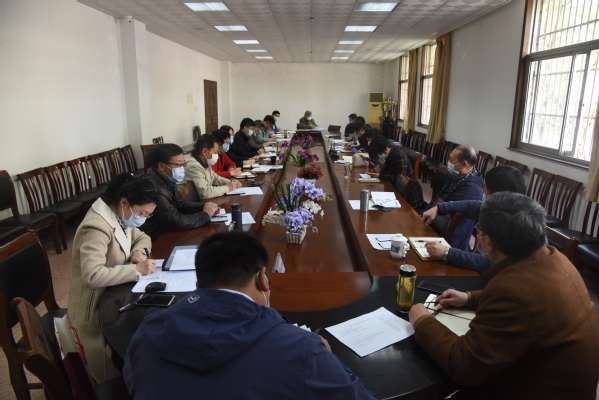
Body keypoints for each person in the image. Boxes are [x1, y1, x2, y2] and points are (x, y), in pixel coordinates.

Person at [124, 231, 378, 399]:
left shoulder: (146, 333)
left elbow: (134, 385)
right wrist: (326, 358)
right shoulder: (301, 349)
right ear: (262, 279)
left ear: (198, 285)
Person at [409, 192, 599, 399]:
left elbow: (464, 365)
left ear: (488, 242)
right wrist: (470, 298)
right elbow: (529, 302)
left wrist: (423, 322)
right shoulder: (555, 258)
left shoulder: (512, 291)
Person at [69, 173, 158, 383]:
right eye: (142, 213)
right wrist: (136, 270)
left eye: (148, 215)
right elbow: (92, 276)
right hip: (92, 307)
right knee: (108, 370)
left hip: (114, 293)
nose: (143, 218)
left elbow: (143, 237)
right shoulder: (97, 227)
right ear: (124, 202)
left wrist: (138, 253)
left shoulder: (120, 215)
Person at [421, 165, 526, 274]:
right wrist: (438, 208)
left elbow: (490, 263)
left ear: (497, 195)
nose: (483, 191)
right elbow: (469, 206)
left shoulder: (516, 226)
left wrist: (447, 253)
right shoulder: (506, 207)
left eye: (485, 187)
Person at [139, 143, 219, 241]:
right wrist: (205, 215)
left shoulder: (167, 178)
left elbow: (180, 203)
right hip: (158, 239)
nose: (181, 169)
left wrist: (204, 206)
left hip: (167, 232)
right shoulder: (154, 188)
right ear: (161, 166)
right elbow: (175, 222)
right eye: (178, 165)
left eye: (183, 165)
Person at [422, 145, 483, 251]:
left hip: (449, 241)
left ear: (463, 164)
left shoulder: (472, 188)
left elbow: (456, 223)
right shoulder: (456, 176)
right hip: (435, 223)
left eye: (451, 159)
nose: (448, 162)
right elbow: (438, 198)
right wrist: (424, 213)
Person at [367, 136, 425, 210]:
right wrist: (380, 171)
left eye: (380, 153)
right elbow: (389, 172)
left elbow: (400, 179)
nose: (380, 155)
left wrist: (380, 176)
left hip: (410, 196)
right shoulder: (390, 154)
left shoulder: (399, 156)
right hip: (397, 189)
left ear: (386, 148)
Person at [177, 134, 242, 199]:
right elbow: (205, 193)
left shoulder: (204, 160)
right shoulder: (193, 166)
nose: (217, 155)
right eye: (215, 152)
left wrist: (231, 182)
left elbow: (214, 178)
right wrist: (227, 187)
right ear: (204, 151)